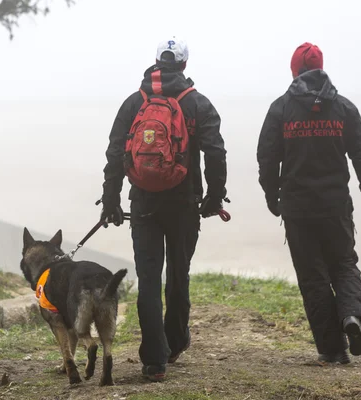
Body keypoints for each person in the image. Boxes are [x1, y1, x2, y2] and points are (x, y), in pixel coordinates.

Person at [100, 36, 228, 381]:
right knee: (178, 273)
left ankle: (153, 361)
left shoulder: (134, 103)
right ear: (184, 66)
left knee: (148, 280)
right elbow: (216, 153)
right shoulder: (197, 104)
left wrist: (110, 200)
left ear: (156, 63)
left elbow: (115, 153)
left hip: (142, 203)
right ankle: (176, 341)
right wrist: (215, 197)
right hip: (184, 203)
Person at [256, 42, 361, 364]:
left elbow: (267, 159)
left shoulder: (280, 109)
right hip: (336, 207)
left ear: (294, 71)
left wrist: (272, 195)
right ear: (321, 69)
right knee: (343, 264)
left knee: (313, 277)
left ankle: (332, 349)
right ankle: (352, 315)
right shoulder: (343, 108)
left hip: (298, 210)